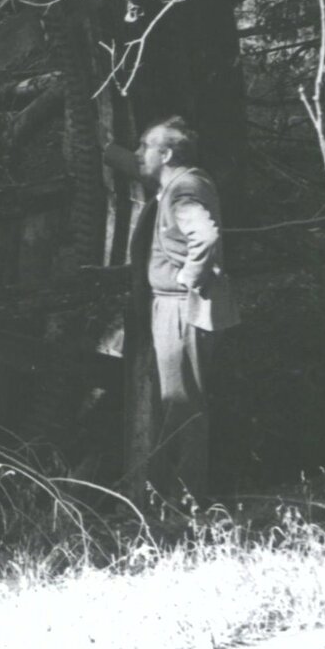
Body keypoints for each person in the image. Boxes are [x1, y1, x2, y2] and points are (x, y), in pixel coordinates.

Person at [105, 116, 238, 510]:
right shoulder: (176, 180)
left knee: (182, 405)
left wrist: (189, 276)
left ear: (165, 154)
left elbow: (206, 234)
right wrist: (105, 150)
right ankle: (174, 496)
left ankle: (186, 503)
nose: (139, 156)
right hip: (172, 306)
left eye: (145, 149)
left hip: (183, 308)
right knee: (175, 404)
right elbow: (138, 166)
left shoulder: (184, 190)